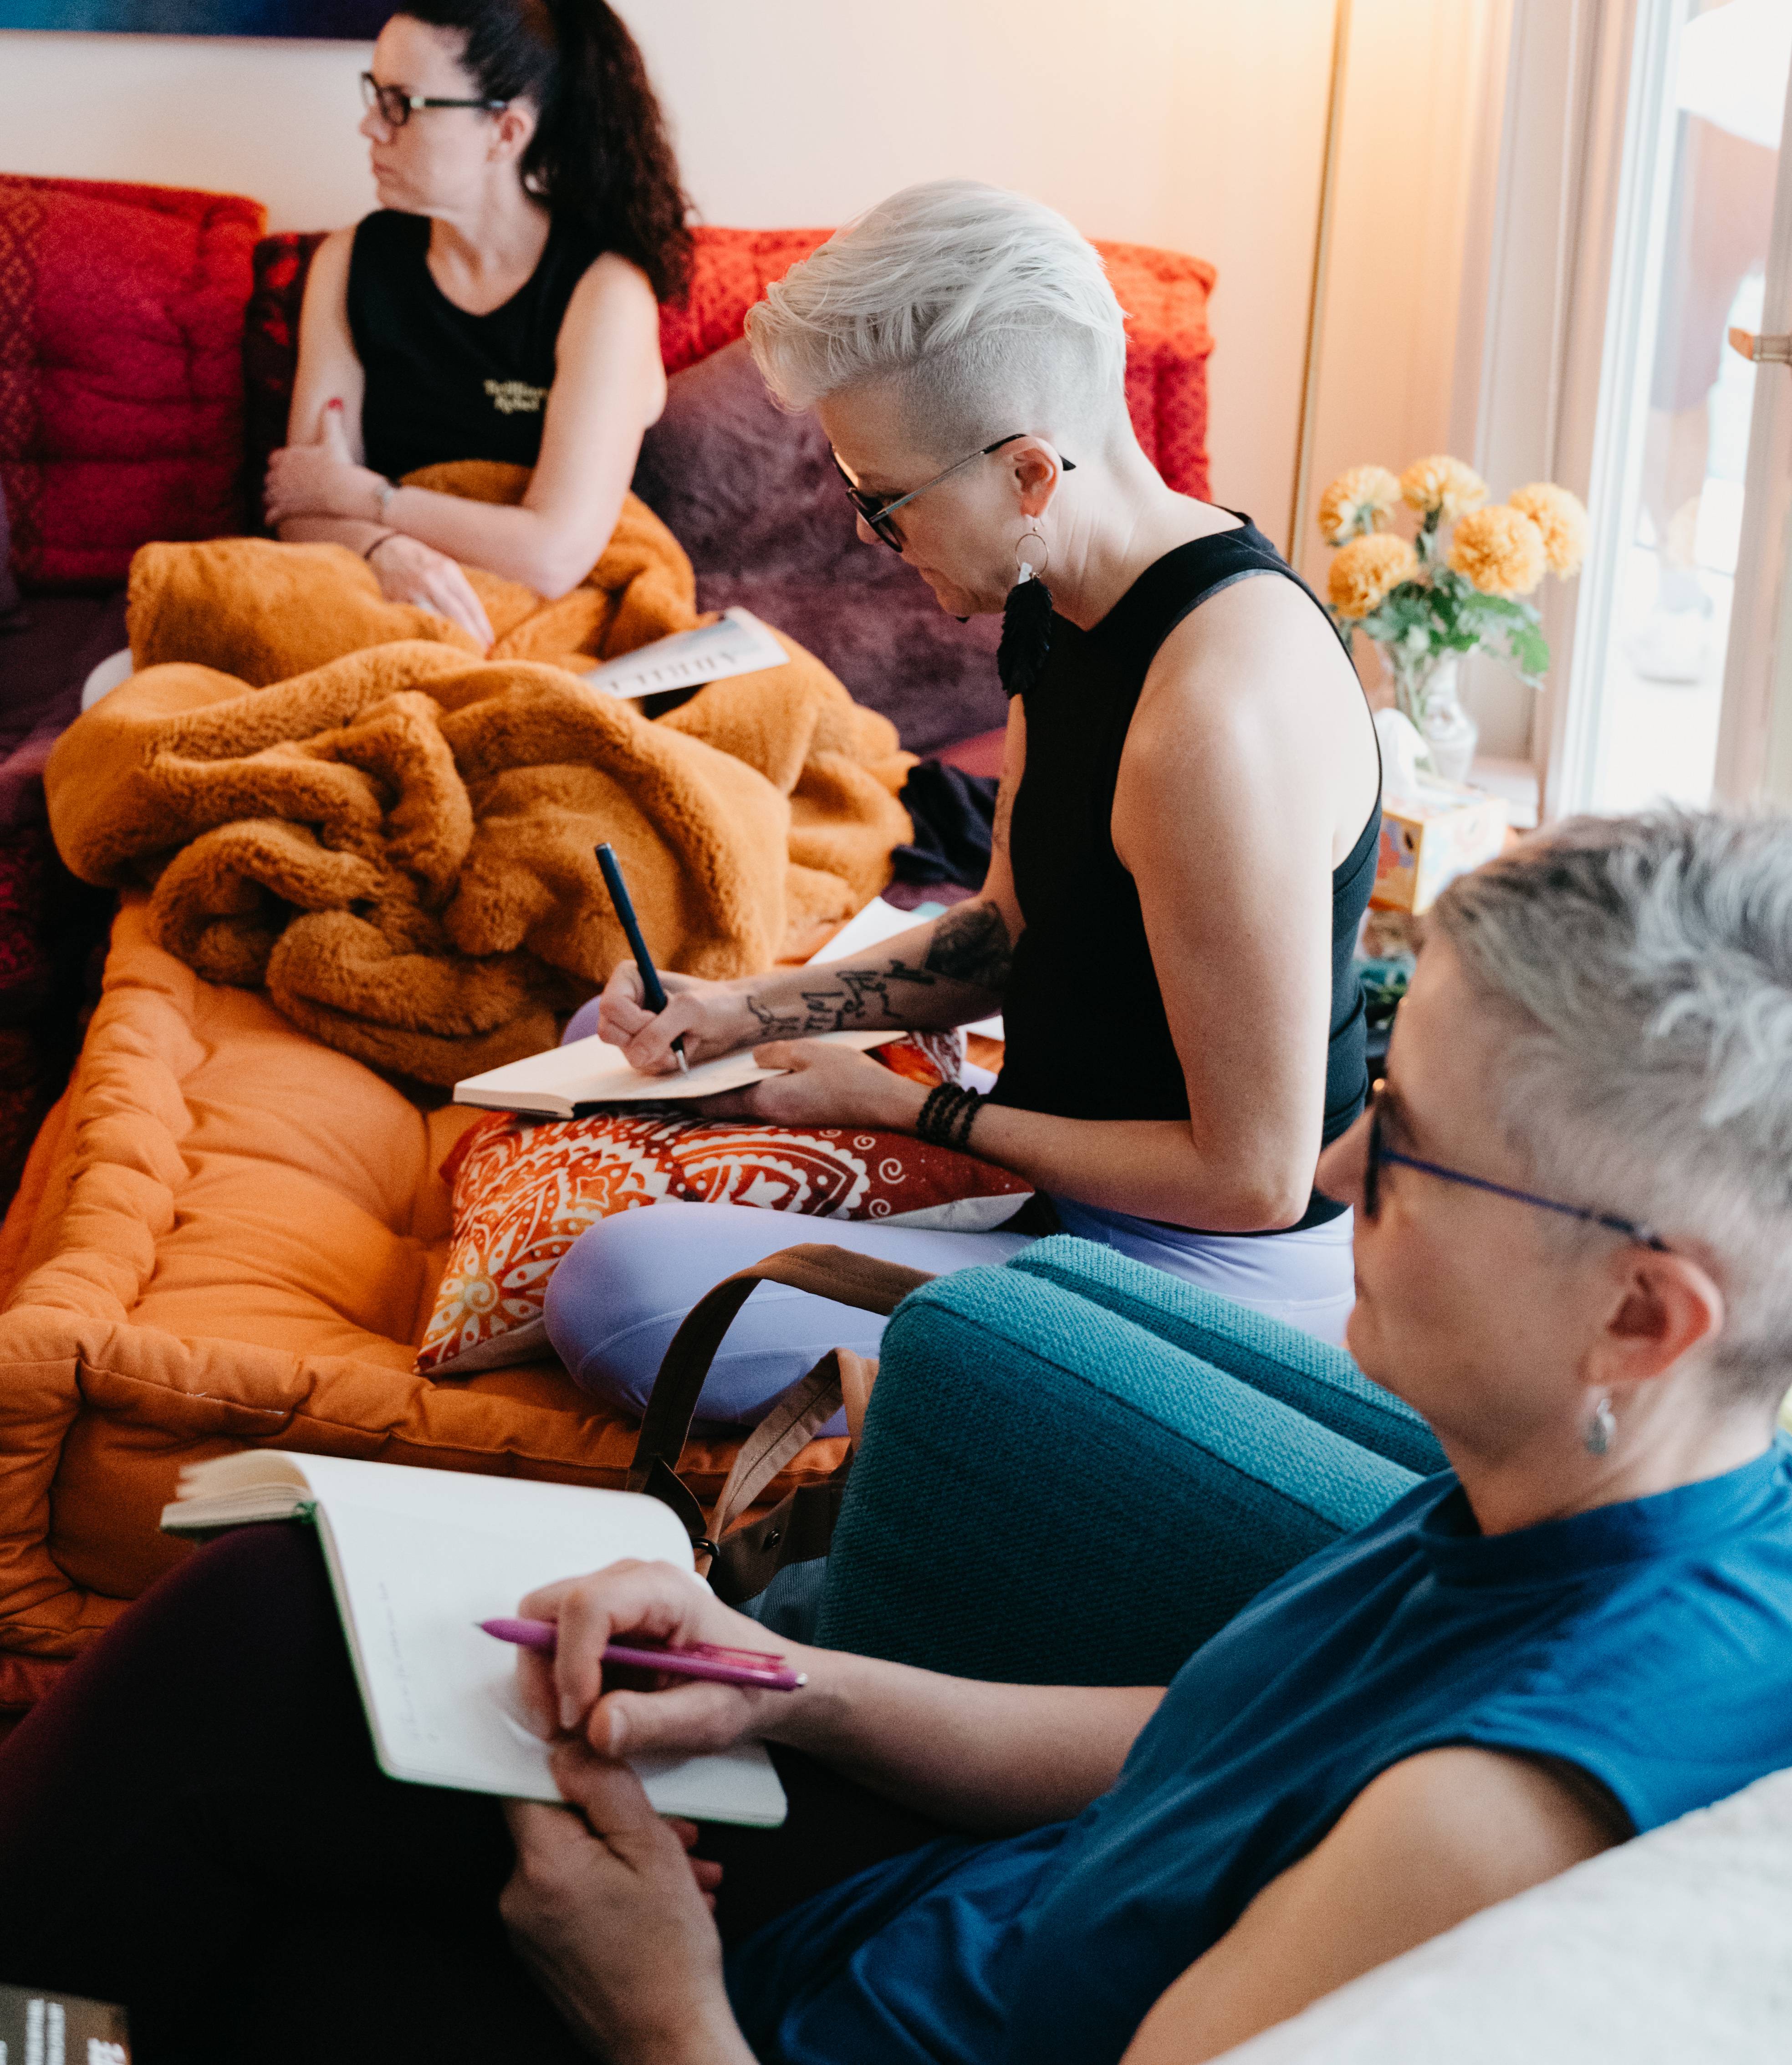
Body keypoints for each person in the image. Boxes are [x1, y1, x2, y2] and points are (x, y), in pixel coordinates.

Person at [5, 809, 1792, 2064]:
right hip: (904, 1925)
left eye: (1399, 1142)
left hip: (756, 2029)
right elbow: (1222, 1742)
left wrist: (658, 2012)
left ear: (1646, 1313)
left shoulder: (1487, 1839)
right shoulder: (1637, 1482)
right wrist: (785, 1677)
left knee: (243, 1964)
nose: (1328, 1177)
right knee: (271, 1637)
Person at [546, 178, 1381, 1410]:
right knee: (610, 1045)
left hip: (1211, 1276)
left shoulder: (1210, 722)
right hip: (1095, 1196)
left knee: (620, 1289)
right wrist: (749, 1011)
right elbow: (1008, 932)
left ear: (1031, 472)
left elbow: (1255, 1175)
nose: (875, 544)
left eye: (883, 505)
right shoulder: (1067, 606)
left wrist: (909, 1111)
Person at [262, 0, 689, 646]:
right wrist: (385, 552)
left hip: (541, 613)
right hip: (379, 592)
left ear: (505, 131)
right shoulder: (348, 263)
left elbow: (554, 554)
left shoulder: (604, 291)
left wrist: (363, 498)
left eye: (402, 103)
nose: (370, 126)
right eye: (375, 95)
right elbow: (298, 507)